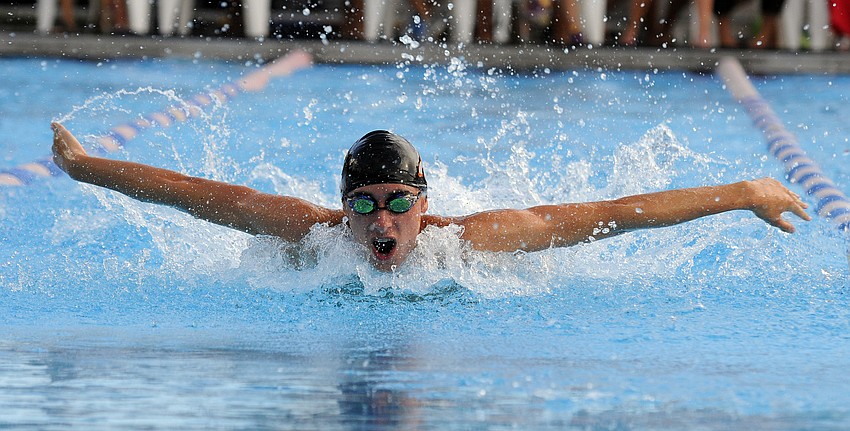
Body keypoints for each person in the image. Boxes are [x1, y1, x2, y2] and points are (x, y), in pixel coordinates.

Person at [51, 123, 811, 272]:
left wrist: (742, 192)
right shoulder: (312, 236)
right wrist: (88, 169)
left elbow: (609, 216)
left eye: (396, 202)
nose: (380, 221)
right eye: (362, 204)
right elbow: (194, 195)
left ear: (424, 201)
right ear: (342, 205)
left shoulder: (469, 242)